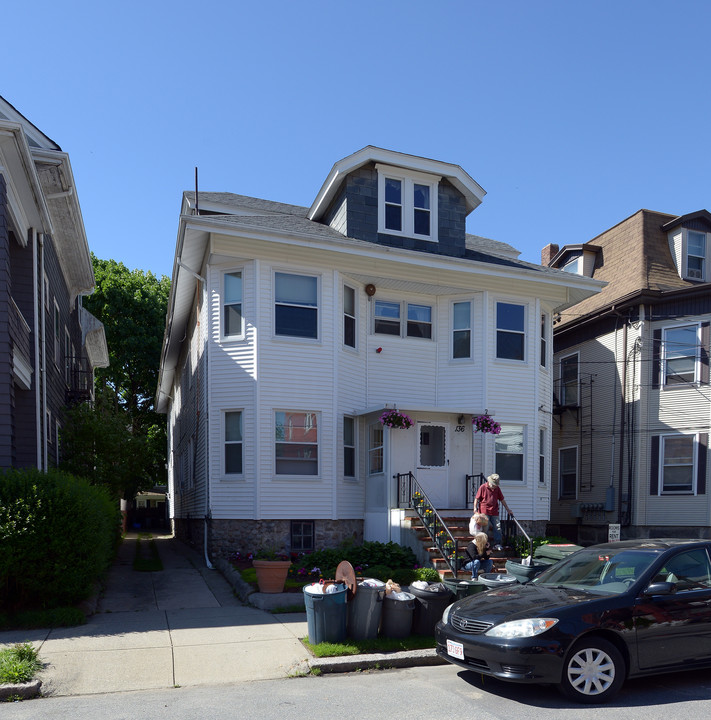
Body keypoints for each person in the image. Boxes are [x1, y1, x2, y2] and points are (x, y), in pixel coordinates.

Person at [474, 473, 513, 550]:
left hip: (494, 511)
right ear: (490, 482)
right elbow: (477, 498)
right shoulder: (483, 487)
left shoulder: (497, 489)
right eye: (494, 484)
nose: (494, 486)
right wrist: (475, 509)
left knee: (497, 527)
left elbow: (502, 499)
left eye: (496, 485)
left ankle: (497, 544)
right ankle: (484, 544)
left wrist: (508, 509)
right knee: (485, 528)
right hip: (484, 512)